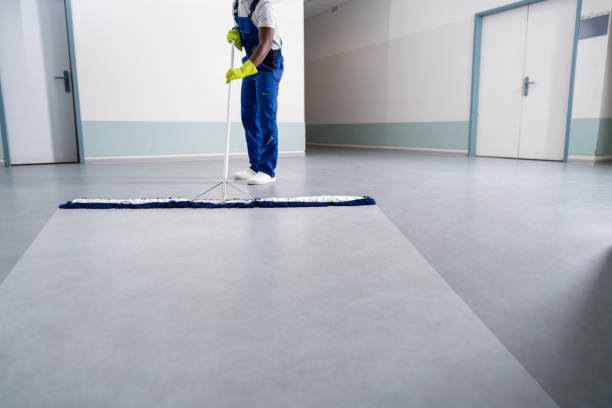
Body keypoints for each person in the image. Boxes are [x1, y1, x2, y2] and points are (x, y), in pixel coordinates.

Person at [226, 0, 283, 185]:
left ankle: (268, 170)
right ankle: (255, 165)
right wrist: (236, 37)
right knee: (249, 115)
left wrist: (243, 70)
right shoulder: (236, 5)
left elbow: (266, 43)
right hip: (251, 60)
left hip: (268, 64)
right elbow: (245, 43)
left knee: (266, 115)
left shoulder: (265, 6)